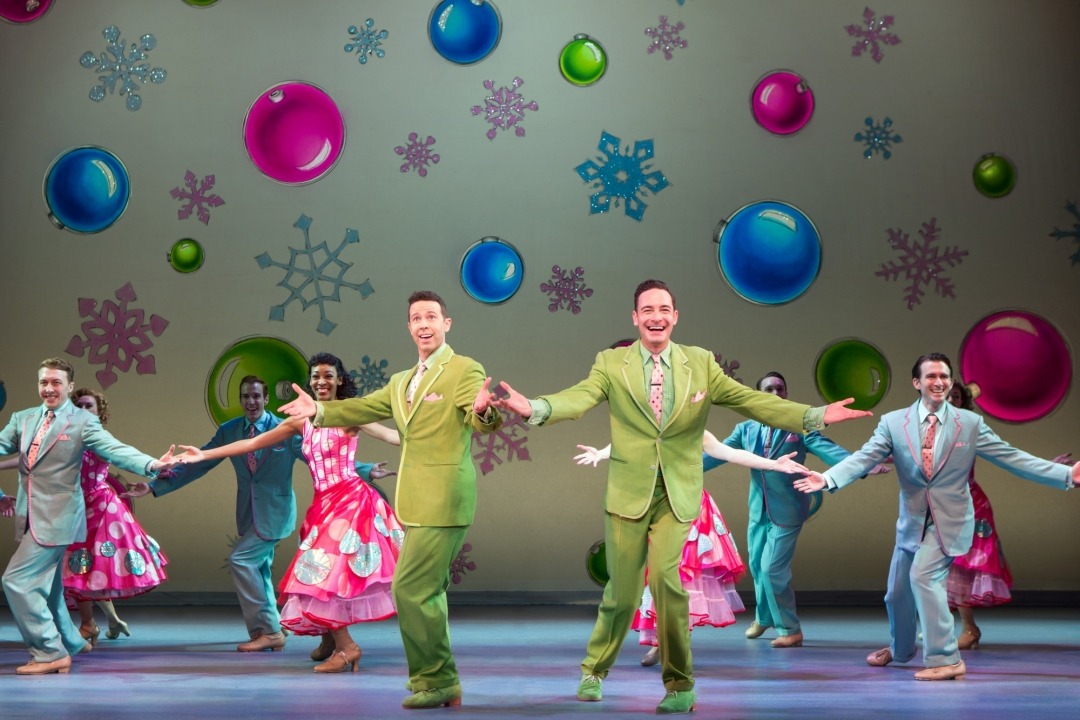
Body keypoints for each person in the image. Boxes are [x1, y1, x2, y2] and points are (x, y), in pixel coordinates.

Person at [494, 279, 871, 715]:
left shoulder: (700, 364)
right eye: (647, 309)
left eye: (664, 309)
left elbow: (751, 402)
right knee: (621, 590)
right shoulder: (611, 364)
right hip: (628, 493)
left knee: (668, 583)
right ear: (635, 318)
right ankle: (594, 669)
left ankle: (679, 684)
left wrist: (813, 415)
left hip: (678, 493)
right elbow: (580, 398)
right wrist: (536, 408)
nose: (656, 316)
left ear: (675, 316)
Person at [278, 290, 502, 709]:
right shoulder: (402, 382)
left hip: (446, 498)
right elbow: (360, 407)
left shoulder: (464, 369)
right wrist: (319, 412)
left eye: (431, 316)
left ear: (446, 324)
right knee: (419, 591)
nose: (423, 323)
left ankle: (440, 680)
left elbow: (478, 418)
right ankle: (431, 679)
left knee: (414, 589)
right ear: (409, 327)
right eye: (416, 317)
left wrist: (484, 412)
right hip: (413, 502)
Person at [794, 352, 1080, 681]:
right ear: (917, 383)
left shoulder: (969, 424)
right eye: (931, 376)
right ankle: (901, 650)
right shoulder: (893, 423)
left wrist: (1065, 475)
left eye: (944, 376)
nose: (939, 382)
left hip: (951, 521)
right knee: (897, 592)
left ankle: (946, 659)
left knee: (923, 578)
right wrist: (828, 478)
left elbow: (1012, 457)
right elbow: (865, 457)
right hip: (912, 522)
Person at [176, 352, 401, 673]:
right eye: (316, 376)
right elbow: (253, 444)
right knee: (320, 575)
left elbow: (393, 436)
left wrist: (429, 425)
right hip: (324, 506)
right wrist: (204, 454)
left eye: (328, 376)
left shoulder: (351, 412)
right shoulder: (302, 420)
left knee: (319, 575)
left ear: (339, 380)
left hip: (350, 504)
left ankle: (347, 647)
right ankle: (330, 638)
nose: (321, 382)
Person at [0, 358, 178, 675]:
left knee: (17, 581)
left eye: (56, 382)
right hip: (31, 517)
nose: (49, 388)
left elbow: (116, 448)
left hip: (60, 519)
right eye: (44, 382)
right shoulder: (23, 419)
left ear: (69, 386)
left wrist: (153, 464)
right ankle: (70, 641)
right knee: (52, 588)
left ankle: (48, 651)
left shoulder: (83, 422)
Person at [574, 429, 810, 667]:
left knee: (683, 577)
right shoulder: (647, 426)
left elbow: (731, 453)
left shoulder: (696, 431)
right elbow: (625, 442)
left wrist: (772, 464)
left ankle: (672, 642)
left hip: (689, 510)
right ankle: (662, 640)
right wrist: (602, 454)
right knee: (654, 576)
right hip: (653, 506)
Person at [705, 371, 890, 649]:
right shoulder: (745, 429)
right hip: (759, 509)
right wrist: (680, 469)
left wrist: (863, 466)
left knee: (771, 569)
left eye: (781, 389)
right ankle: (765, 617)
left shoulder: (799, 428)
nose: (776, 394)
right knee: (757, 565)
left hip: (788, 511)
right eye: (769, 389)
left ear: (787, 394)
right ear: (758, 396)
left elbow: (831, 450)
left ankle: (790, 628)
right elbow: (716, 454)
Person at [126, 374, 308, 653]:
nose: (251, 402)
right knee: (259, 568)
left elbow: (318, 454)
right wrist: (153, 486)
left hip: (276, 511)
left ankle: (268, 631)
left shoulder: (284, 428)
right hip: (249, 513)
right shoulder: (230, 430)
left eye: (257, 396)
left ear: (266, 399)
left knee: (241, 561)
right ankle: (274, 624)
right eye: (246, 396)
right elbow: (198, 464)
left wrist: (365, 470)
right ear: (240, 400)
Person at [942, 380, 1071, 650]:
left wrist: (1055, 469)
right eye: (947, 395)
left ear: (963, 402)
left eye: (956, 396)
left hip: (971, 507)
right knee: (929, 569)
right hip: (937, 507)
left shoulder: (971, 428)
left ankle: (969, 628)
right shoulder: (921, 427)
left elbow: (1011, 457)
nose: (951, 400)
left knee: (962, 568)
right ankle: (939, 626)